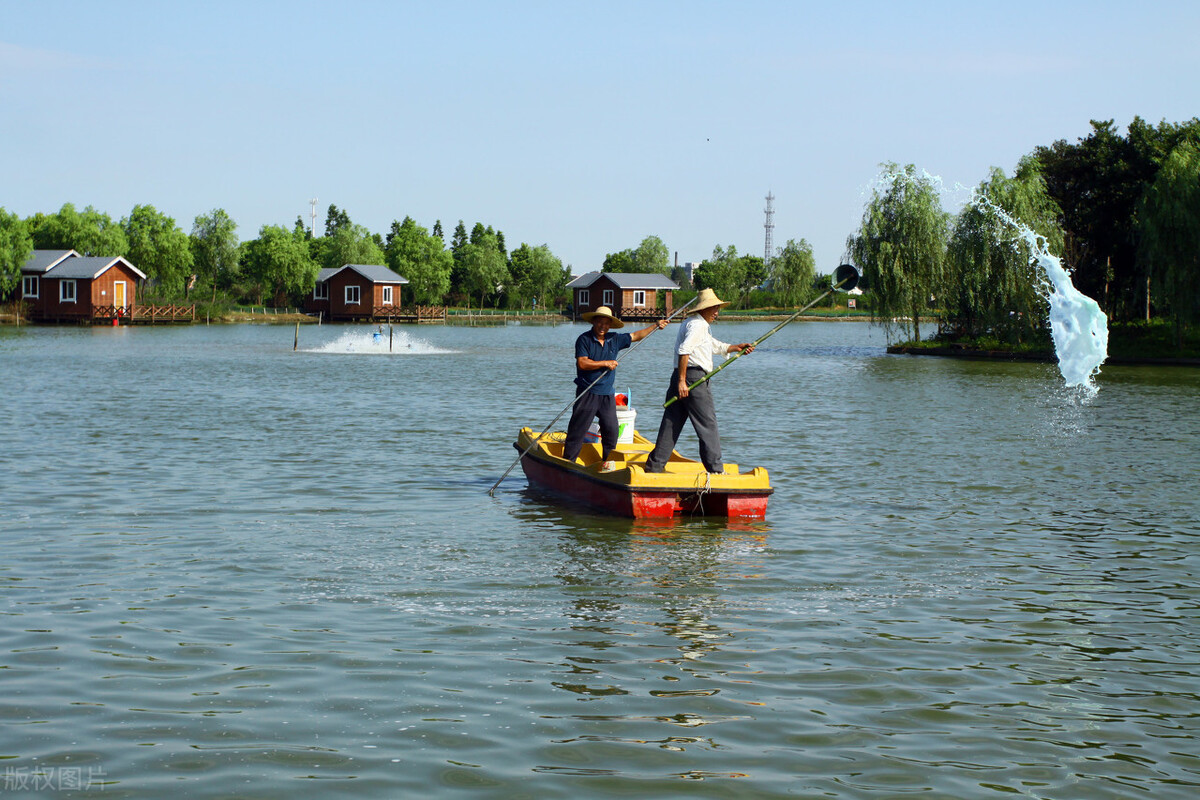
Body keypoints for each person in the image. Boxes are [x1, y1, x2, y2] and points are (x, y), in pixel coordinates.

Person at [644, 288, 755, 474]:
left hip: (681, 376)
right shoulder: (698, 325)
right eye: (714, 309)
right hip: (692, 378)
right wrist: (682, 381)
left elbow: (710, 344)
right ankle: (716, 469)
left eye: (717, 309)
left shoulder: (693, 323)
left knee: (672, 421)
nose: (716, 313)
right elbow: (684, 350)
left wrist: (735, 347)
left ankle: (654, 466)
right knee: (707, 423)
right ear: (704, 309)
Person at [564, 306, 667, 471]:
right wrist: (605, 363)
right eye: (600, 323)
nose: (603, 327)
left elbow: (635, 336)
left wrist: (655, 326)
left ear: (610, 325)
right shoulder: (584, 339)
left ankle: (608, 464)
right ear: (594, 322)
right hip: (587, 392)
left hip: (607, 395)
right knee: (577, 431)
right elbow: (582, 363)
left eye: (606, 324)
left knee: (612, 431)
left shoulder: (614, 339)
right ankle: (567, 464)